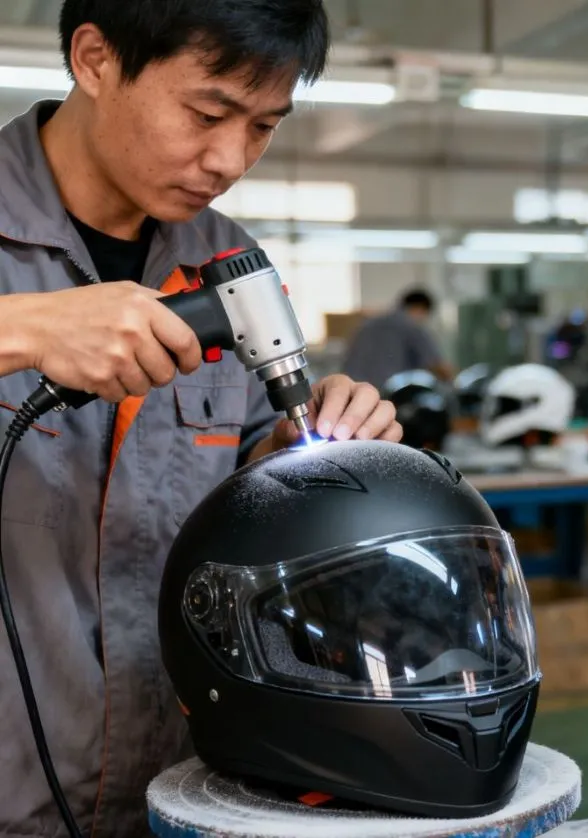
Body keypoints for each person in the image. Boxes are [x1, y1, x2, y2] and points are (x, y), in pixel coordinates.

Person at [0, 1, 405, 834]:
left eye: (263, 127)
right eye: (208, 112)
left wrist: (303, 451)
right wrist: (23, 329)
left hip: (178, 790)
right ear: (95, 59)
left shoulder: (227, 264)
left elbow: (247, 483)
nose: (229, 159)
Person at [341, 288, 455, 389]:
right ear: (420, 308)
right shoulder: (412, 326)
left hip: (353, 389)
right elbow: (438, 366)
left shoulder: (368, 324)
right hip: (387, 393)